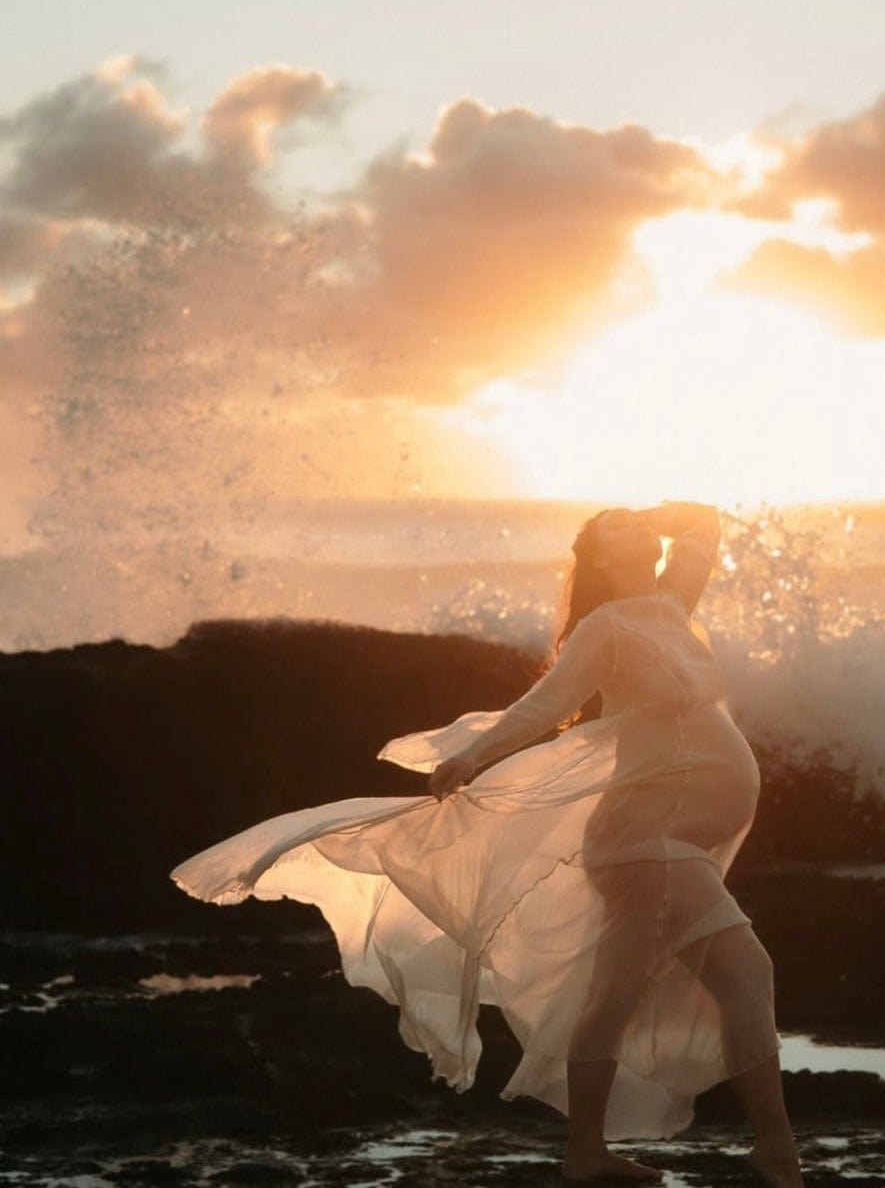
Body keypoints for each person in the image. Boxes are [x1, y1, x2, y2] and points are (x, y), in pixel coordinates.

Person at [170, 501, 804, 1188]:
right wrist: (471, 756)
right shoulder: (606, 627)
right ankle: (763, 1152)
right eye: (616, 529)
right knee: (738, 975)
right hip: (642, 839)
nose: (637, 530)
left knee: (620, 996)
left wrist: (648, 512)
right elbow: (542, 706)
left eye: (639, 525)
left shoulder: (673, 604)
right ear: (598, 559)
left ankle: (597, 1151)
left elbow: (704, 524)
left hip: (667, 839)